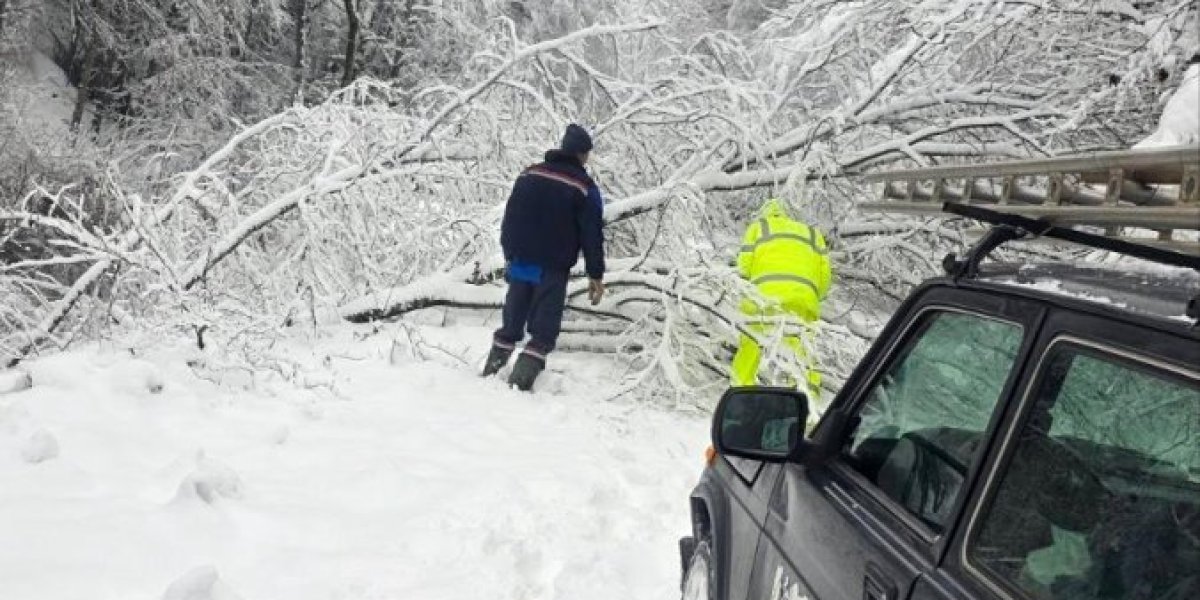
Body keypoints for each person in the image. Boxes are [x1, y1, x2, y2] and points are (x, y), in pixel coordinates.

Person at [481, 124, 606, 391]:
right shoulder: (584, 187)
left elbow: (510, 218)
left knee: (511, 323)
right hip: (553, 266)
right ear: (582, 154)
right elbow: (592, 234)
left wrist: (510, 255)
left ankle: (490, 376)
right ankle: (519, 387)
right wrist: (596, 274)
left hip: (521, 261)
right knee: (543, 331)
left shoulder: (529, 174)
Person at [731, 198, 832, 397]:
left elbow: (743, 267)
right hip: (803, 299)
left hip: (763, 297)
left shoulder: (759, 228)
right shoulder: (813, 235)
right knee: (804, 352)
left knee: (751, 344)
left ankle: (740, 391)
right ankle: (809, 401)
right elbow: (825, 277)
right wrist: (813, 297)